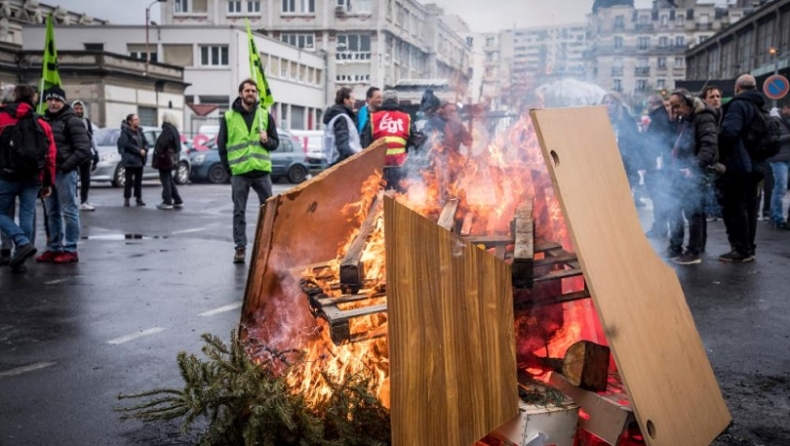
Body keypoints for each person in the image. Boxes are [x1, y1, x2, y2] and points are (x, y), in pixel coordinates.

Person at [218, 79, 279, 264]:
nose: (250, 93)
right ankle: (240, 248)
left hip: (261, 172)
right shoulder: (229, 117)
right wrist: (230, 170)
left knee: (270, 211)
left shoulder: (265, 116)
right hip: (240, 173)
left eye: (253, 90)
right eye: (247, 90)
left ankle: (268, 246)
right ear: (240, 93)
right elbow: (221, 145)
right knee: (239, 212)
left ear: (257, 94)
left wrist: (266, 140)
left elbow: (275, 143)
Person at [0, 84, 57, 272]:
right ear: (33, 98)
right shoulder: (41, 122)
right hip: (32, 177)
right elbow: (50, 156)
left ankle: (21, 243)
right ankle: (21, 257)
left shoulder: (2, 117)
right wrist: (48, 182)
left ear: (14, 96)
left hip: (6, 174)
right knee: (27, 213)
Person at [36, 86, 91, 264]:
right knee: (51, 212)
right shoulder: (44, 120)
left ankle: (70, 248)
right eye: (50, 99)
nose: (53, 103)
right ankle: (54, 247)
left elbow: (83, 150)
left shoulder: (72, 121)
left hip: (64, 173)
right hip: (47, 173)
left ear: (63, 101)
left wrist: (64, 167)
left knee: (69, 211)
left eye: (57, 100)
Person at [665, 89, 719, 265]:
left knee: (693, 212)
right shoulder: (685, 119)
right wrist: (672, 120)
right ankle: (675, 246)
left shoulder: (704, 117)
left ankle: (694, 251)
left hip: (693, 172)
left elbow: (709, 145)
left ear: (688, 103)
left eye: (677, 106)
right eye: (671, 106)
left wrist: (694, 167)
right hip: (679, 172)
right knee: (674, 209)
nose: (675, 110)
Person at [717, 74, 765, 263]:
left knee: (736, 207)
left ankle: (740, 249)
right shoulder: (759, 105)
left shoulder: (738, 105)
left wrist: (718, 139)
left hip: (738, 165)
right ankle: (749, 248)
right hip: (756, 164)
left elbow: (730, 131)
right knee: (750, 207)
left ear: (737, 88)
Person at [360, 90, 422, 191]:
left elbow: (366, 144)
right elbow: (414, 141)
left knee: (378, 197)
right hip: (400, 165)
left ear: (383, 102)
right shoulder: (406, 118)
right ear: (397, 102)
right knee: (400, 197)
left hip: (379, 167)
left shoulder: (373, 118)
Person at [643, 94, 678, 240]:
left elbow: (656, 142)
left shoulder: (658, 118)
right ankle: (661, 226)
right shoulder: (662, 118)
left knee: (659, 197)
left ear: (652, 103)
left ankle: (661, 227)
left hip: (659, 164)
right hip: (661, 163)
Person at [602, 92, 643, 207]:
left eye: (612, 103)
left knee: (622, 197)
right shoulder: (599, 119)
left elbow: (634, 142)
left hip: (624, 163)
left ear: (617, 105)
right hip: (606, 163)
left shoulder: (626, 120)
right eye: (606, 102)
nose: (608, 105)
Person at [152, 113, 184, 210]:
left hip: (165, 158)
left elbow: (162, 144)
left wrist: (158, 153)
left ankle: (167, 201)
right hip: (172, 158)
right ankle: (177, 200)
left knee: (165, 179)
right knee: (169, 178)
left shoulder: (167, 130)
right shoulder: (174, 130)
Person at [767, 99, 790, 229]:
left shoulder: (786, 121)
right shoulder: (774, 120)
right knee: (780, 187)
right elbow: (772, 139)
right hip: (778, 158)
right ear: (786, 108)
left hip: (787, 158)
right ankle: (776, 217)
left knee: (782, 188)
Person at [322, 87, 360, 166]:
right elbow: (342, 144)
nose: (354, 102)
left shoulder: (335, 116)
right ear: (346, 101)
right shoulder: (342, 118)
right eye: (352, 99)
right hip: (343, 163)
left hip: (336, 161)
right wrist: (350, 159)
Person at [72, 100, 98, 211]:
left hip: (86, 153)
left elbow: (91, 138)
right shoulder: (69, 120)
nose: (78, 111)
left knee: (85, 178)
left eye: (80, 108)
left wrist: (96, 152)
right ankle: (72, 201)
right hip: (73, 153)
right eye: (76, 108)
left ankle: (84, 200)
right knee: (72, 178)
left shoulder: (86, 122)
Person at [118, 114, 147, 207]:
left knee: (138, 181)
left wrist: (145, 149)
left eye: (138, 119)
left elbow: (146, 142)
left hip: (139, 160)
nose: (137, 121)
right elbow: (126, 144)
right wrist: (139, 151)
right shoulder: (125, 132)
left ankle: (139, 198)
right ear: (130, 121)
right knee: (128, 181)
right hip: (130, 160)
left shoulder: (140, 131)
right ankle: (127, 199)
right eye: (135, 119)